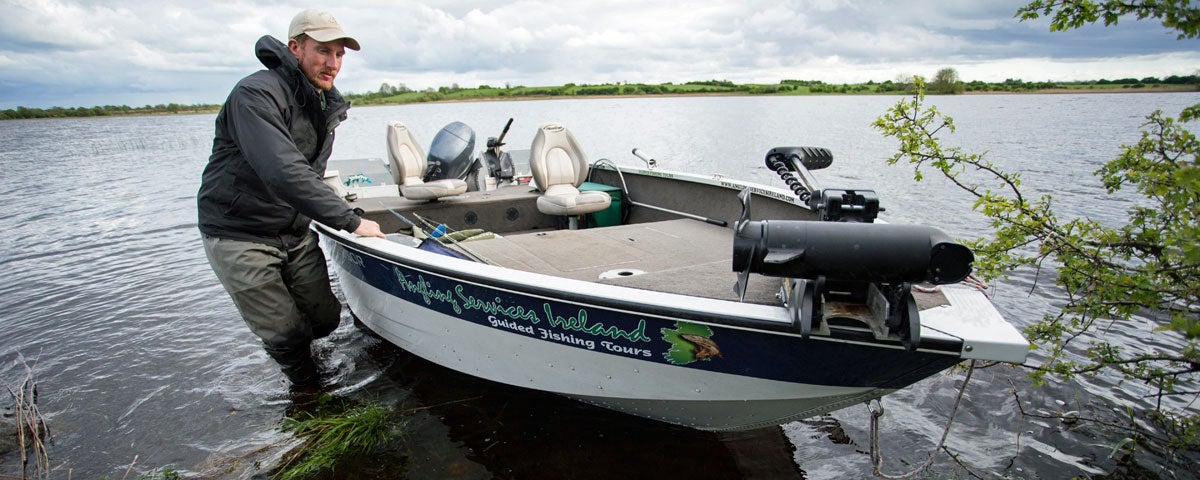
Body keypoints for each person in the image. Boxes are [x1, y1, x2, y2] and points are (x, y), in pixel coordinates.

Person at [197, 9, 385, 388]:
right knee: (285, 335)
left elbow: (310, 172)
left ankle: (313, 359)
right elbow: (282, 170)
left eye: (339, 54)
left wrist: (338, 208)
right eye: (323, 51)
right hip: (240, 232)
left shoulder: (322, 100)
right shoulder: (255, 94)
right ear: (295, 47)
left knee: (325, 319)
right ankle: (308, 398)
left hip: (294, 230)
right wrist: (350, 220)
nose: (332, 63)